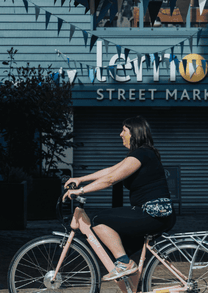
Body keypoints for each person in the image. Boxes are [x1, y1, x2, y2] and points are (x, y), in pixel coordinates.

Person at [63, 116, 176, 282]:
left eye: (124, 130)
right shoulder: (140, 155)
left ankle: (125, 264)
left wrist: (81, 190)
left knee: (98, 220)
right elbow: (110, 171)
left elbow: (111, 179)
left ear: (135, 133)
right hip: (155, 215)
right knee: (121, 249)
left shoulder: (142, 154)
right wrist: (80, 179)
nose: (120, 134)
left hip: (152, 214)